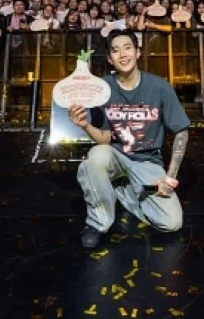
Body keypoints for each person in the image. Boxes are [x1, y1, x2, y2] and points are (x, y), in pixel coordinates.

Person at [68, 29, 190, 249]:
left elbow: (181, 131)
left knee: (172, 223)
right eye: (115, 50)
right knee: (96, 156)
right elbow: (104, 138)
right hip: (115, 155)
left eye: (127, 48)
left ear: (138, 52)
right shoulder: (102, 89)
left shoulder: (160, 87)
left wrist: (170, 179)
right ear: (109, 59)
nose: (122, 54)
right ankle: (99, 222)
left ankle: (124, 190)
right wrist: (84, 125)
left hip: (147, 162)